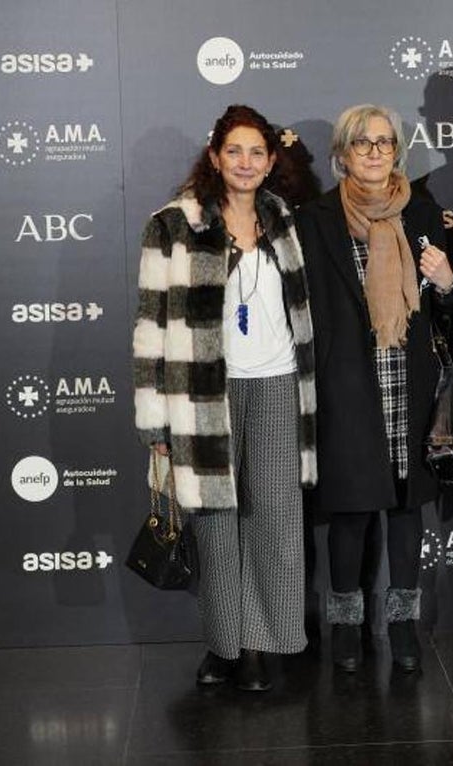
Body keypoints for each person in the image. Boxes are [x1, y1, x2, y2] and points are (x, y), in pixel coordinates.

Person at [132, 104, 318, 692]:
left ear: (270, 161)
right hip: (203, 395)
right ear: (214, 157)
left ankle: (266, 644)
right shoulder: (173, 223)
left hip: (280, 383)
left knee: (276, 522)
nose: (245, 163)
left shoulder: (283, 217)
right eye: (233, 151)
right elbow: (150, 328)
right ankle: (224, 645)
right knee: (215, 524)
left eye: (256, 153)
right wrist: (154, 420)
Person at [297, 104, 453, 673]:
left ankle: (403, 625)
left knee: (407, 509)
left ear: (397, 152)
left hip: (409, 379)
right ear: (341, 154)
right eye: (361, 144)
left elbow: (445, 306)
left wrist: (445, 283)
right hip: (347, 381)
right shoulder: (313, 219)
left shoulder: (421, 211)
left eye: (384, 143)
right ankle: (345, 628)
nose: (373, 152)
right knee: (350, 510)